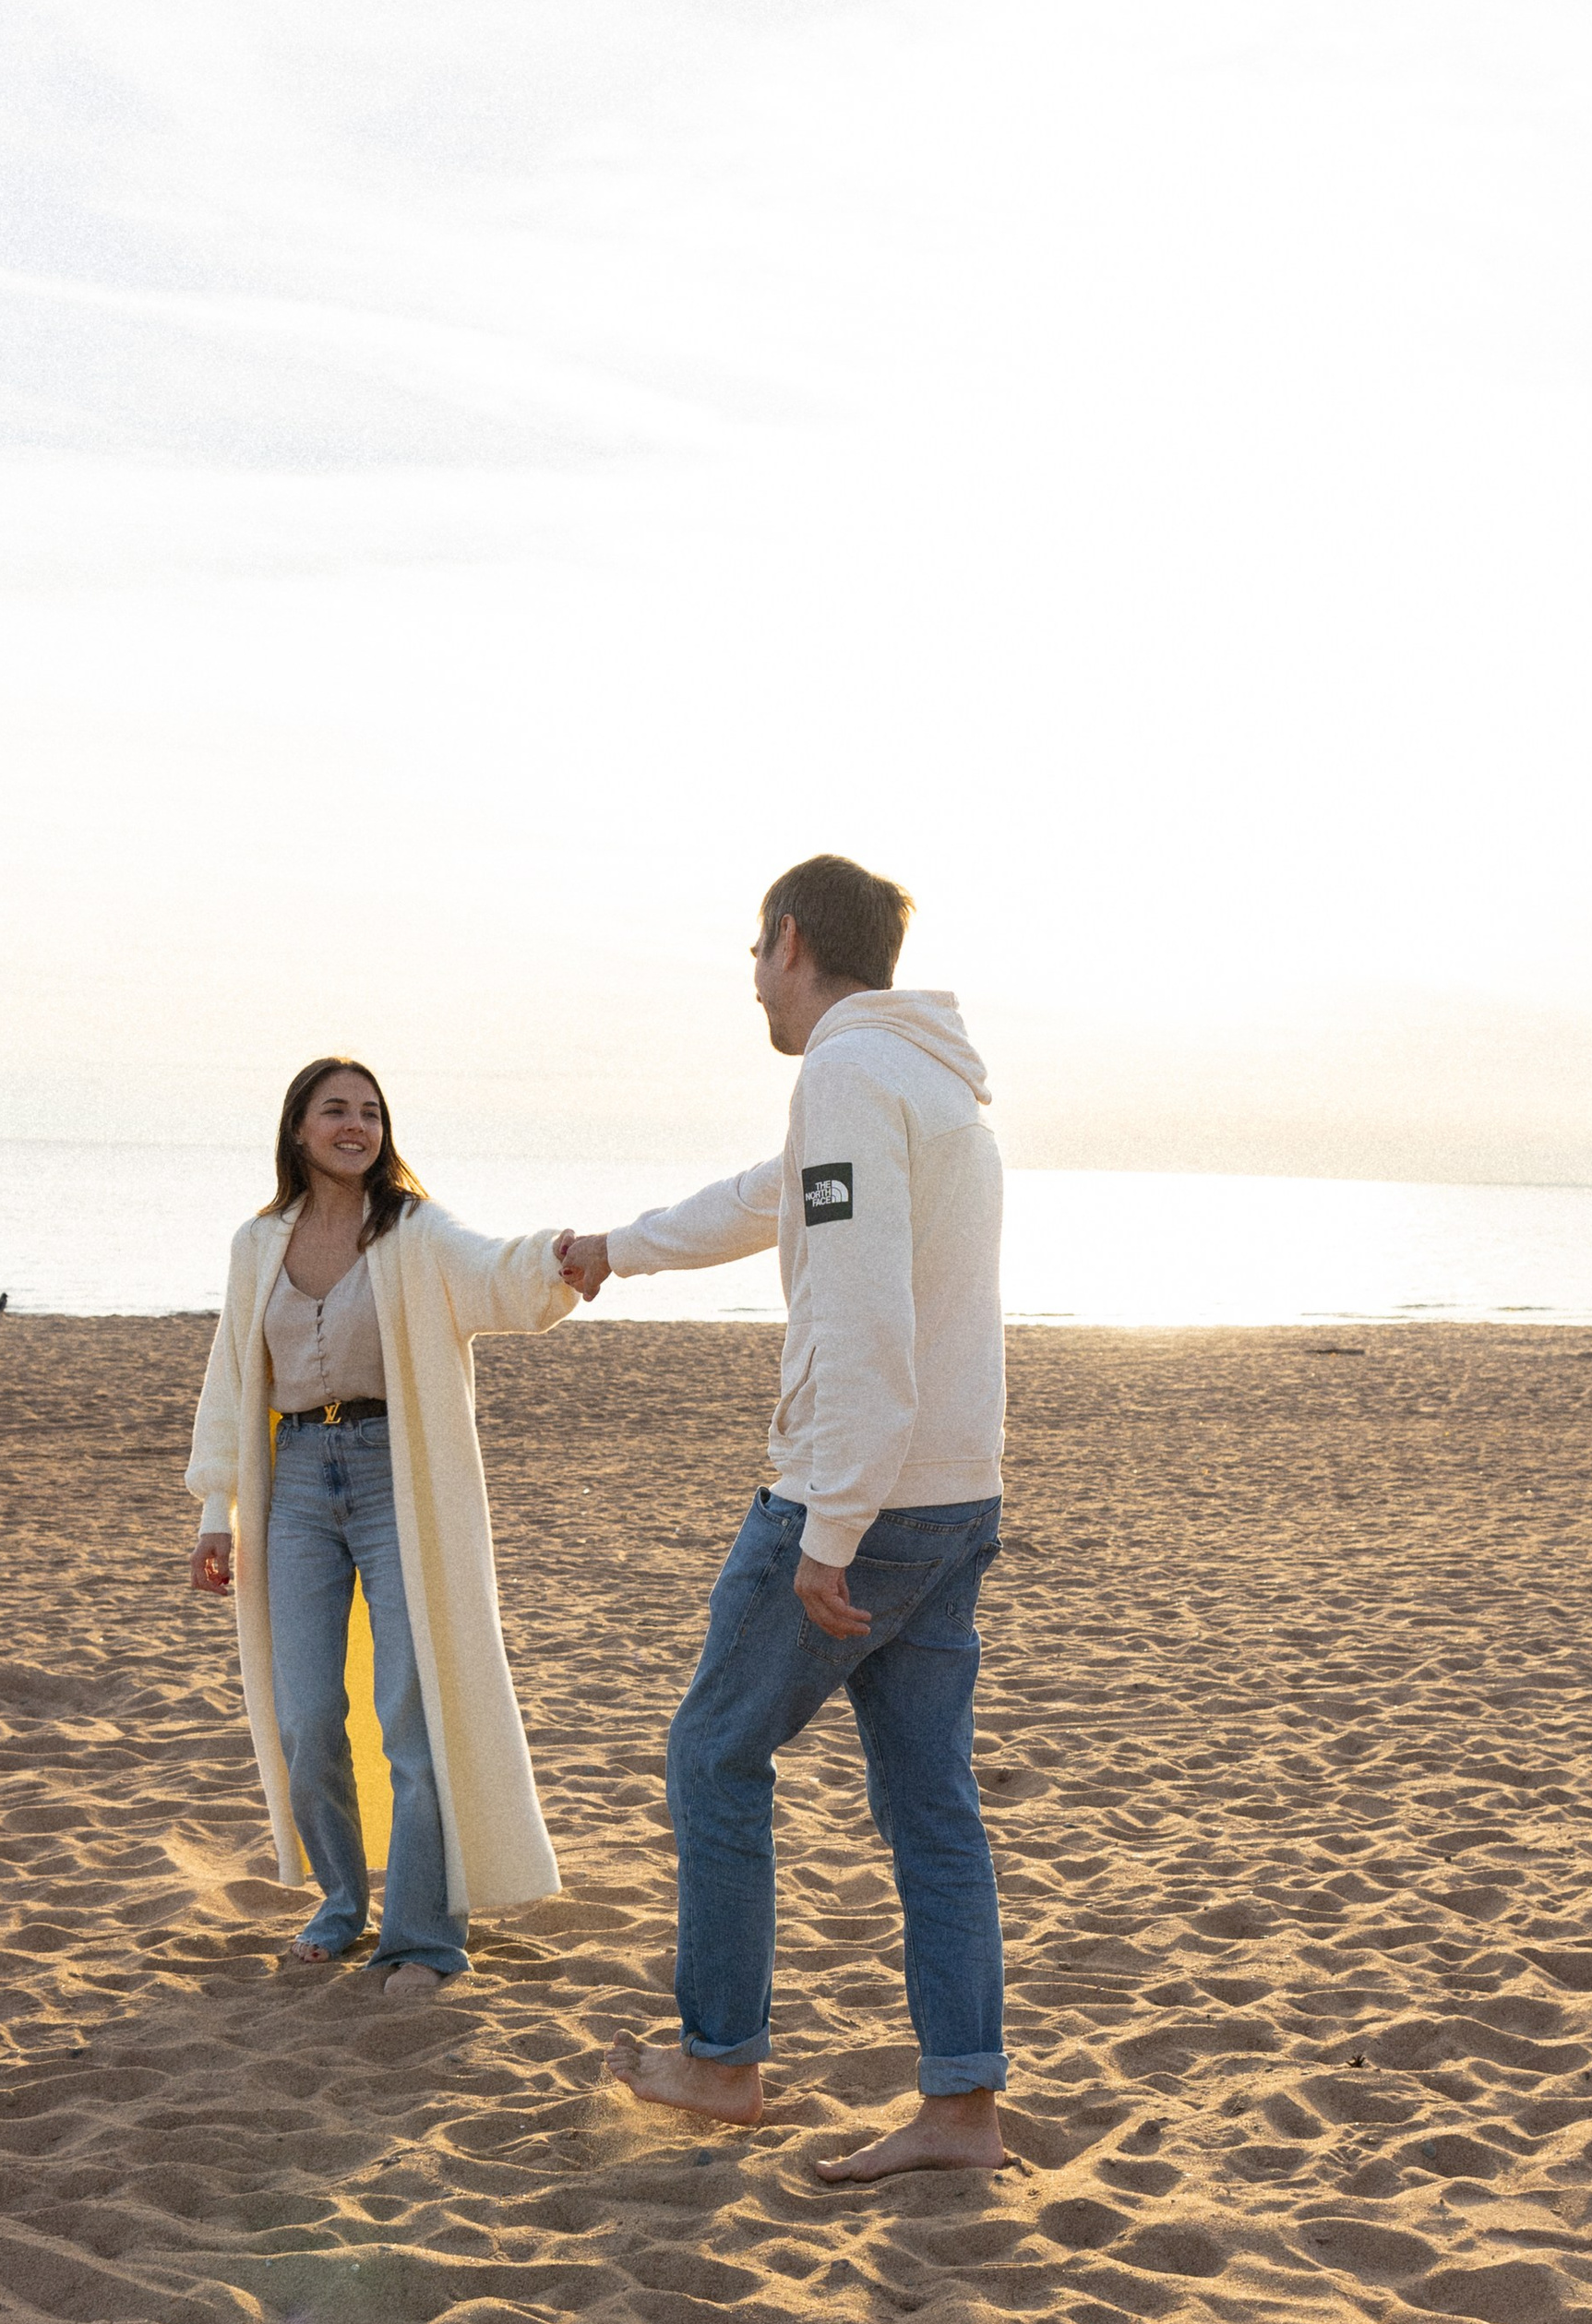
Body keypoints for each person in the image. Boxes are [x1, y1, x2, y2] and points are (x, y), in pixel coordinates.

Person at [557, 855, 1007, 2181]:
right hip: (956, 1492)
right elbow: (770, 1199)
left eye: (757, 952)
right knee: (931, 1804)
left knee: (712, 1754)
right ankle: (962, 2111)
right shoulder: (924, 1082)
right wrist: (614, 1249)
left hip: (860, 1502)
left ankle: (719, 2060)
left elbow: (864, 1316)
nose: (753, 978)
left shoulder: (852, 1076)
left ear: (794, 940)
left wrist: (827, 1526)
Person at [186, 1056, 576, 2000]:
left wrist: (563, 1257)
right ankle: (339, 1901)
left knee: (413, 1706)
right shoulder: (257, 1244)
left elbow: (494, 1277)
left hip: (391, 1473)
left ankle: (424, 1938)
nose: (354, 1125)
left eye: (369, 1112)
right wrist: (217, 1509)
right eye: (335, 1111)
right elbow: (233, 1377)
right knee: (306, 1713)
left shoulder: (412, 1230)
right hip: (293, 1486)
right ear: (298, 1129)